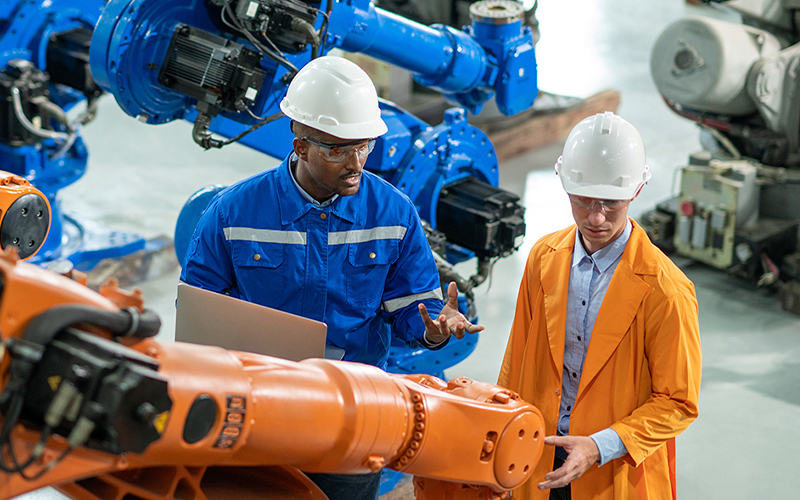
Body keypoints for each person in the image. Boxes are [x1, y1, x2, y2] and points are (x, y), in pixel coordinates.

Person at [180, 55, 483, 500]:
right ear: (299, 144)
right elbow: (198, 308)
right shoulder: (234, 212)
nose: (356, 162)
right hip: (261, 408)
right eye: (337, 149)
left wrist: (434, 329)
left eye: (364, 146)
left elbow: (411, 307)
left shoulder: (394, 213)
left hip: (357, 413)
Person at [498, 112, 701, 500]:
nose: (595, 217)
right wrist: (503, 441)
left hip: (611, 472)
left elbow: (678, 402)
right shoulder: (544, 257)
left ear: (636, 193)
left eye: (610, 204)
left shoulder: (665, 289)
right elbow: (516, 361)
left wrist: (599, 445)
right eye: (584, 200)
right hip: (538, 459)